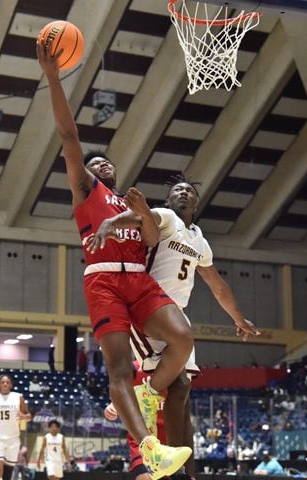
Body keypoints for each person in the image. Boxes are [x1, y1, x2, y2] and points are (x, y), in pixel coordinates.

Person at [37, 36, 193, 479]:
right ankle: (149, 448)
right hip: (104, 279)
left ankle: (150, 395)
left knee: (183, 338)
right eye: (95, 162)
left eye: (107, 163)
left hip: (139, 278)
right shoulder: (86, 191)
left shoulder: (130, 200)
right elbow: (69, 135)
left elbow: (147, 237)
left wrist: (141, 214)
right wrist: (53, 78)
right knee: (119, 370)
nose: (102, 165)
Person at [88, 175, 260, 476]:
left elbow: (217, 286)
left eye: (188, 190)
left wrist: (238, 319)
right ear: (168, 200)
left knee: (183, 391)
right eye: (176, 190)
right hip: (148, 308)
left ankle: (179, 465)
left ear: (196, 202)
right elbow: (138, 217)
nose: (182, 192)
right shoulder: (166, 217)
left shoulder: (200, 241)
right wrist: (110, 224)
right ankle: (154, 425)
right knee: (174, 385)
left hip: (175, 313)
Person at [104, 361, 166, 480]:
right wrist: (113, 405)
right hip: (142, 435)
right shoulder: (132, 367)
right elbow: (122, 390)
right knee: (145, 477)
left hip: (167, 435)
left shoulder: (171, 361)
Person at [0, 374, 32, 480]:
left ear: (11, 385)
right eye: (2, 382)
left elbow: (29, 416)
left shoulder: (18, 397)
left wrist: (23, 416)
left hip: (13, 440)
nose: (5, 384)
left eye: (7, 382)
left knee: (7, 476)